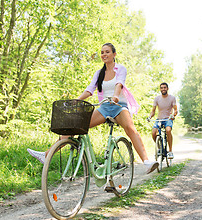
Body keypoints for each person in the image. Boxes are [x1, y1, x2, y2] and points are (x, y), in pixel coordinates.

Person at [27, 43, 159, 174]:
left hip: (119, 106)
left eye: (107, 52)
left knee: (130, 129)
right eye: (102, 52)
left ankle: (146, 161)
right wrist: (76, 101)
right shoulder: (99, 73)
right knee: (76, 126)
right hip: (105, 107)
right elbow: (90, 90)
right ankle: (46, 155)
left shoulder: (120, 69)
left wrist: (116, 96)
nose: (104, 54)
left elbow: (119, 84)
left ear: (114, 54)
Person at [148, 82, 178, 159]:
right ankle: (160, 148)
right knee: (154, 133)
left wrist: (173, 115)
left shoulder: (172, 98)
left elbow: (175, 110)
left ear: (167, 88)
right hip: (159, 119)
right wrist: (150, 117)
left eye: (164, 87)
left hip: (168, 119)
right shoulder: (157, 99)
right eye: (161, 88)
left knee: (168, 130)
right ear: (160, 89)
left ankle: (170, 151)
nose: (163, 89)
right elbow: (153, 111)